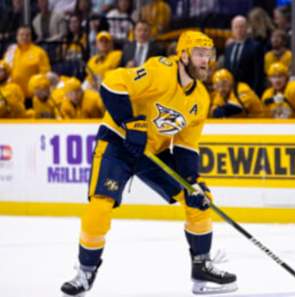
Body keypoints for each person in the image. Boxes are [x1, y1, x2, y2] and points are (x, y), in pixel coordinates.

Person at [60, 30, 237, 296]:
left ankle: (202, 268)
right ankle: (85, 272)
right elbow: (111, 83)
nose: (206, 61)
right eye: (200, 54)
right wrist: (130, 123)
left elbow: (187, 146)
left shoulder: (201, 99)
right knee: (100, 207)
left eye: (209, 56)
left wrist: (192, 182)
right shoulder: (160, 71)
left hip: (153, 152)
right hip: (119, 144)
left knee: (198, 197)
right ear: (184, 54)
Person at [3, 26, 51, 99]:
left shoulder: (39, 52)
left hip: (31, 96)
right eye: (21, 35)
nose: (24, 37)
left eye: (27, 35)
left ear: (31, 37)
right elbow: (4, 70)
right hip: (12, 95)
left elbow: (45, 74)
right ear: (17, 36)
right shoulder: (11, 51)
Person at [224, 15, 264, 96]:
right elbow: (226, 70)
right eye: (236, 27)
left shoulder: (255, 47)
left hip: (248, 91)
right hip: (231, 91)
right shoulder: (229, 47)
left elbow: (258, 73)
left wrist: (255, 93)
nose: (239, 30)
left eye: (241, 27)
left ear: (247, 28)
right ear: (232, 29)